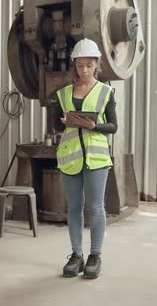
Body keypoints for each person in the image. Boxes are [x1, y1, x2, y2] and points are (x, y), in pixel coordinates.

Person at [54, 38, 117, 279]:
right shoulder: (64, 94)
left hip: (96, 159)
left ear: (97, 65)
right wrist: (63, 122)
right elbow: (54, 123)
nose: (84, 70)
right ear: (74, 65)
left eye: (89, 65)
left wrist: (94, 125)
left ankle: (95, 256)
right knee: (74, 208)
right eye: (80, 66)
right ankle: (76, 255)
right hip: (70, 158)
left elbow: (113, 126)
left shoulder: (106, 91)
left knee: (96, 208)